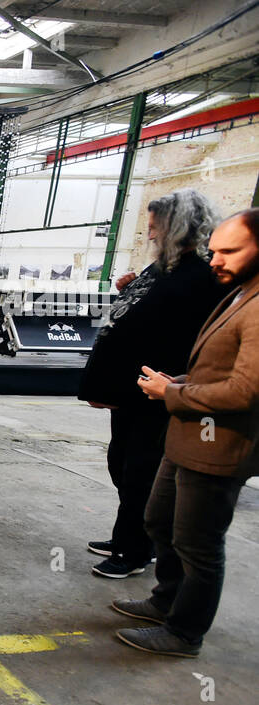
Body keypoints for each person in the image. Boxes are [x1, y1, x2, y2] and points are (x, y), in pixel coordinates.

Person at [114, 208, 259, 657]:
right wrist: (179, 382)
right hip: (188, 437)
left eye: (230, 251)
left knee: (199, 543)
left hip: (219, 446)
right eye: (214, 250)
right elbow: (220, 370)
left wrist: (173, 394)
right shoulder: (238, 293)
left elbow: (245, 391)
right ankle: (164, 601)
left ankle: (184, 632)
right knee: (159, 520)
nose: (216, 259)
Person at [78, 190, 225, 579]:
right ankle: (131, 535)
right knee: (121, 464)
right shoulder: (163, 266)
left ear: (178, 226)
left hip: (159, 393)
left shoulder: (204, 274)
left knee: (140, 472)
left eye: (156, 227)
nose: (150, 234)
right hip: (132, 392)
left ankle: (135, 549)